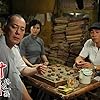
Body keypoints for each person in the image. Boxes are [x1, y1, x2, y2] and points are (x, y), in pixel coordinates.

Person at [0, 14, 47, 100]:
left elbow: (23, 69)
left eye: (22, 29)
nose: (18, 32)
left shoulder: (14, 48)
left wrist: (37, 69)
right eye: (14, 27)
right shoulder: (2, 50)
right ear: (5, 28)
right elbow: (15, 83)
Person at [19, 19, 50, 100]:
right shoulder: (24, 41)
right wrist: (31, 65)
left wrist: (46, 61)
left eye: (37, 28)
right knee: (40, 83)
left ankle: (37, 96)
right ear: (30, 28)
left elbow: (42, 54)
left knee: (47, 83)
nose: (35, 30)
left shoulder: (40, 41)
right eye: (33, 27)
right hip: (28, 67)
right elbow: (22, 56)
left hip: (38, 66)